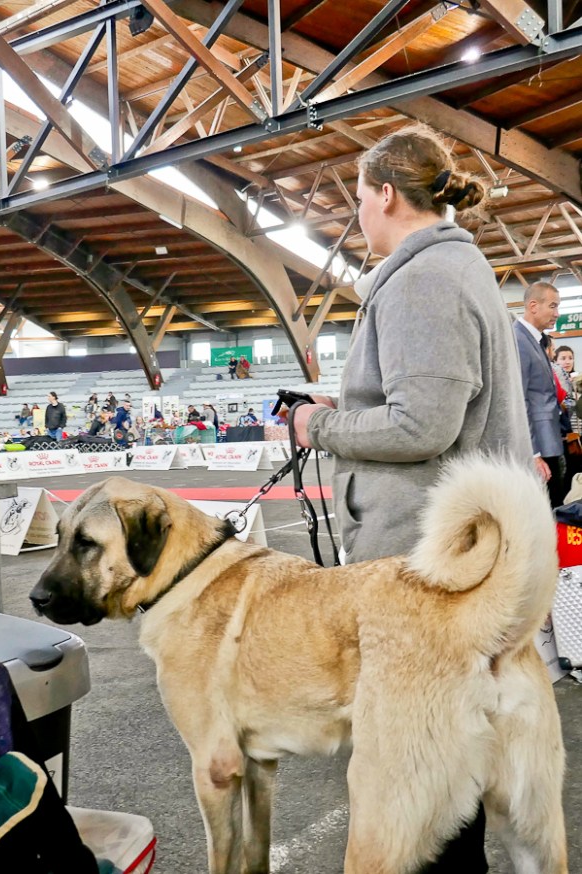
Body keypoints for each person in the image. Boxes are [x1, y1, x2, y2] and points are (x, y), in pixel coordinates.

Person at [292, 125, 532, 872]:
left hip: (423, 562)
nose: (357, 215)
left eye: (360, 199)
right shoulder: (451, 270)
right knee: (442, 781)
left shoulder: (423, 279)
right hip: (447, 555)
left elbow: (422, 424)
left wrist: (318, 424)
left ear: (387, 194)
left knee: (422, 787)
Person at [513, 281, 564, 507]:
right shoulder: (519, 340)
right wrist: (532, 453)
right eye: (552, 306)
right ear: (533, 306)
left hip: (548, 440)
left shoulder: (533, 339)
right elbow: (519, 399)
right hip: (537, 447)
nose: (557, 313)